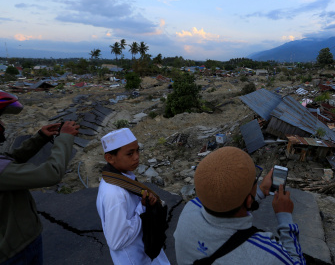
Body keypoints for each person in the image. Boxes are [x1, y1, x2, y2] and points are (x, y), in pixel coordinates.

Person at [174, 146, 306, 264]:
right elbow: (296, 261)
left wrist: (258, 192)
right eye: (255, 180)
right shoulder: (265, 256)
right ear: (249, 201)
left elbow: (224, 202)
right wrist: (285, 216)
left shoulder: (189, 209)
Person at [0, 90, 80, 264]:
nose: (3, 124)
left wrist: (40, 138)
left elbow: (7, 160)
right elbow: (52, 173)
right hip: (17, 251)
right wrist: (64, 139)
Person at [96, 128, 170, 265]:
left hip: (144, 251)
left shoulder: (122, 177)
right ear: (110, 158)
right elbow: (117, 241)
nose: (136, 157)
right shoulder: (114, 193)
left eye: (137, 150)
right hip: (134, 259)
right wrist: (142, 209)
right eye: (130, 154)